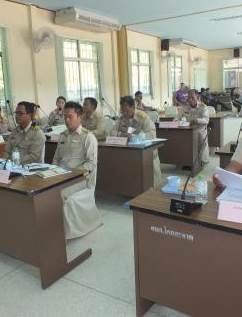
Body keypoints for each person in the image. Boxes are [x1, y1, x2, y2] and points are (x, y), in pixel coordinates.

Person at [52, 101, 101, 239]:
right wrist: (52, 172)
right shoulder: (62, 135)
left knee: (57, 194)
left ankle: (63, 233)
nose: (67, 120)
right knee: (43, 193)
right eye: (65, 116)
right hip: (59, 176)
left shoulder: (88, 137)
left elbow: (91, 164)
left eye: (70, 116)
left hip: (78, 179)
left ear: (79, 117)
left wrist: (72, 173)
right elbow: (56, 158)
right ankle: (50, 227)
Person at [112, 96, 162, 186]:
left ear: (133, 107)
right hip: (129, 151)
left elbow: (151, 134)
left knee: (153, 184)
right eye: (122, 111)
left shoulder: (143, 117)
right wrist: (121, 135)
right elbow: (112, 132)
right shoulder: (121, 118)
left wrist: (136, 136)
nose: (124, 113)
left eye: (127, 111)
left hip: (145, 151)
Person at [176, 89, 210, 165]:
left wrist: (195, 120)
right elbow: (176, 118)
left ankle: (199, 161)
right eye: (189, 97)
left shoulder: (203, 107)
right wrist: (176, 122)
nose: (190, 100)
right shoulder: (184, 107)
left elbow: (206, 120)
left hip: (199, 131)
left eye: (192, 97)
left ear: (197, 97)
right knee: (178, 139)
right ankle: (184, 161)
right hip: (186, 131)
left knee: (199, 139)